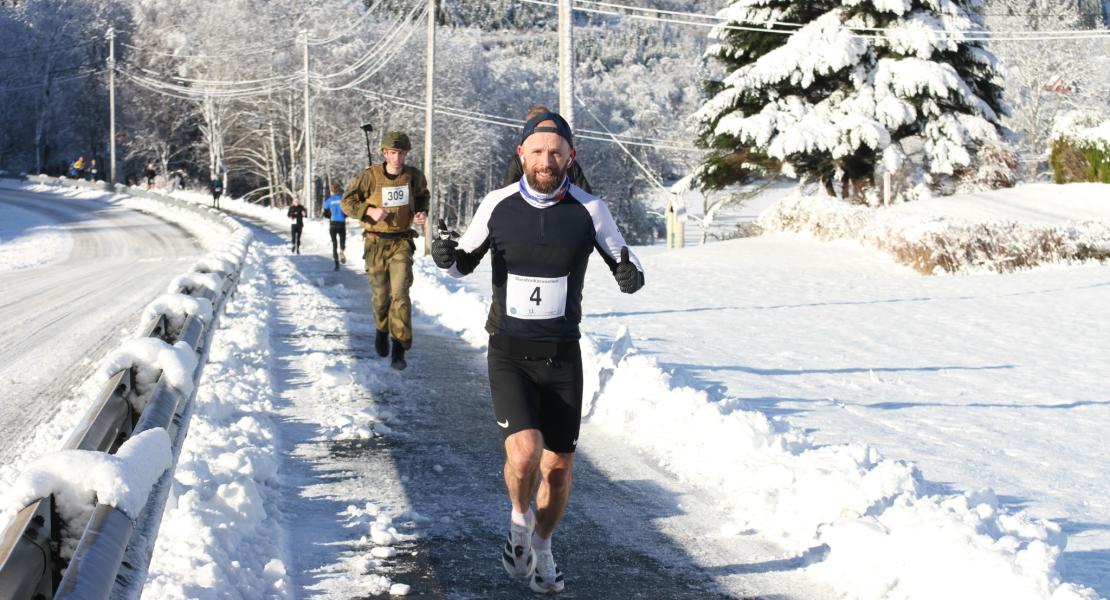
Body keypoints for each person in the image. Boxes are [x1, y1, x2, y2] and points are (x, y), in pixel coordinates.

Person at [430, 111, 644, 594]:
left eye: (556, 152)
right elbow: (462, 263)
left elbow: (625, 262)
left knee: (559, 469)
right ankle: (517, 523)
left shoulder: (591, 210)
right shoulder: (497, 204)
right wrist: (446, 257)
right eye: (538, 151)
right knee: (525, 453)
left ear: (571, 156)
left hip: (563, 354)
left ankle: (543, 546)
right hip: (509, 351)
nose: (547, 160)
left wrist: (631, 276)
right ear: (522, 154)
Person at [341, 131, 429, 371]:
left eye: (401, 153)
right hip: (375, 242)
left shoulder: (413, 176)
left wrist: (421, 212)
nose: (397, 158)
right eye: (392, 153)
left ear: (406, 154)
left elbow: (422, 197)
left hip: (401, 242)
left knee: (400, 294)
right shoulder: (369, 177)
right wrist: (369, 211)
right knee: (381, 297)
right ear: (384, 153)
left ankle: (399, 347)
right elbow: (347, 203)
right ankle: (381, 329)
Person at [503, 105, 592, 193]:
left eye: (555, 153)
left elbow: (584, 194)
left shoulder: (569, 162)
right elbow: (509, 193)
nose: (546, 163)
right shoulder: (517, 162)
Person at [322, 181, 348, 271]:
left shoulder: (329, 200)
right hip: (341, 224)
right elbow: (347, 212)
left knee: (334, 244)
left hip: (333, 224)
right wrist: (344, 216)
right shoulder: (343, 199)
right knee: (342, 241)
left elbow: (325, 213)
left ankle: (336, 264)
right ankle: (342, 250)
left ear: (332, 190)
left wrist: (330, 215)